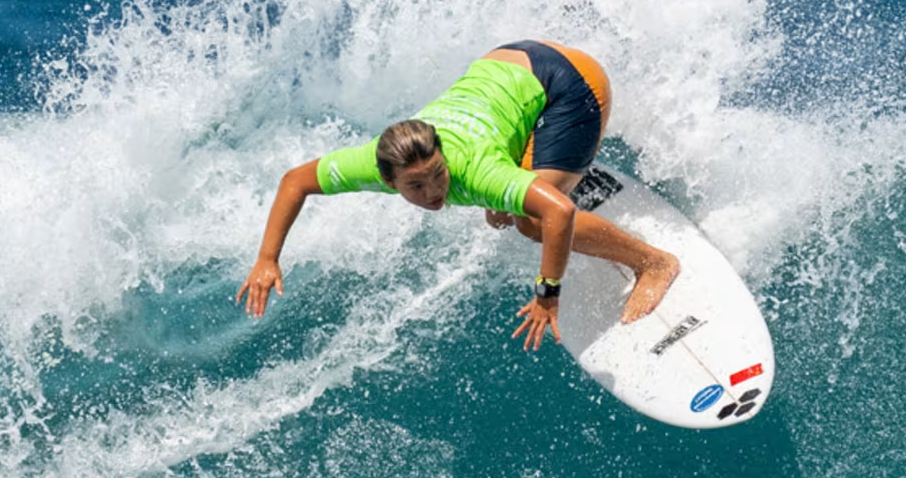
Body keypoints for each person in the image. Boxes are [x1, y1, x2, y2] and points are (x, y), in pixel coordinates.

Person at [235, 41, 680, 349]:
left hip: (572, 83)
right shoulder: (372, 161)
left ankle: (652, 262)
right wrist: (267, 257)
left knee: (530, 220)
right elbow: (295, 181)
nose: (433, 193)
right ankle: (537, 171)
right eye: (416, 186)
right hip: (514, 58)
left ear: (443, 155)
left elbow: (560, 213)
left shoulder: (473, 170)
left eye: (437, 175)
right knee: (504, 206)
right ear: (387, 179)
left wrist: (548, 294)